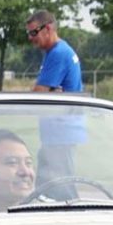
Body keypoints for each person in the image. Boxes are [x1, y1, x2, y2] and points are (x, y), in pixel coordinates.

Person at [26, 10, 85, 198]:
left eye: (34, 32)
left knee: (61, 187)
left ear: (48, 28)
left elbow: (38, 94)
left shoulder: (58, 53)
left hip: (60, 133)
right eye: (29, 33)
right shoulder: (55, 51)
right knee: (48, 187)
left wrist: (44, 91)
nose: (30, 38)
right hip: (59, 133)